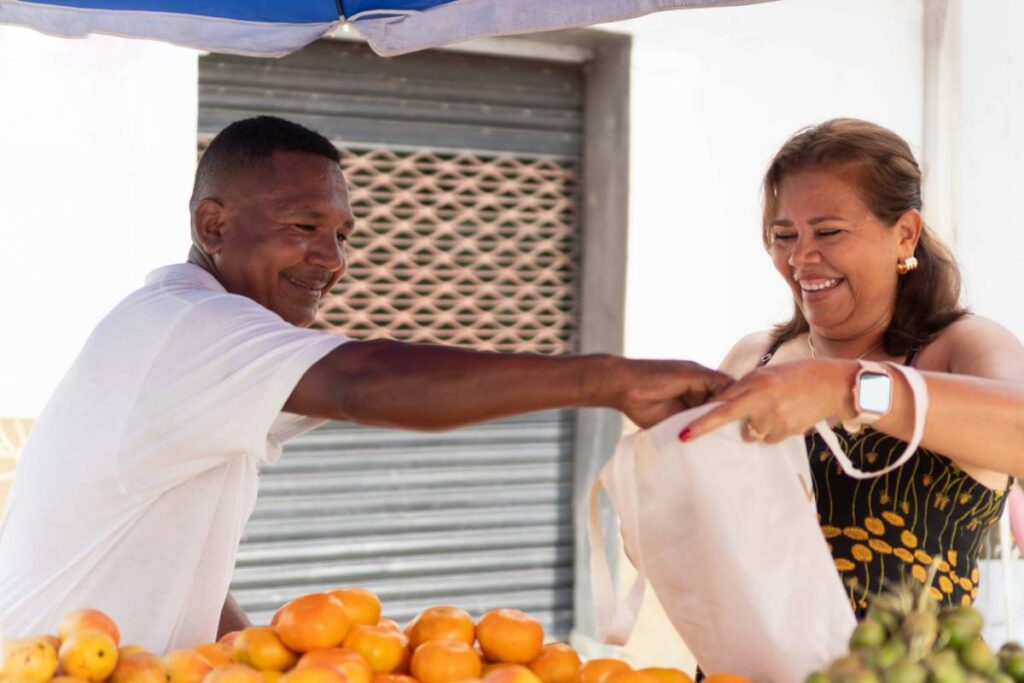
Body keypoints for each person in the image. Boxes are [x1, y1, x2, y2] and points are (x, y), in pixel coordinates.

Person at [0, 116, 731, 653]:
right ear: (213, 226)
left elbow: (179, 556)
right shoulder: (188, 329)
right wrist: (608, 379)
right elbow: (364, 379)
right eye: (304, 226)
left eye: (343, 234)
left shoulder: (191, 338)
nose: (333, 259)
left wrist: (258, 653)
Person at [684, 118, 1024, 614]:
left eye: (828, 232)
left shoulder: (959, 348)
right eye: (784, 235)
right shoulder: (755, 358)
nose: (800, 257)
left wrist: (848, 389)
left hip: (907, 657)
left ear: (904, 235)